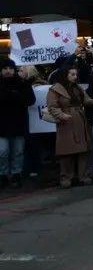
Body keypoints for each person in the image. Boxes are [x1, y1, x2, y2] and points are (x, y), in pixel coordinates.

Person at [46, 67, 93, 188]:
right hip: (66, 122)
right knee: (67, 151)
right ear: (65, 75)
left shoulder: (77, 88)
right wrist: (61, 115)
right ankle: (66, 178)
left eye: (76, 74)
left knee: (83, 150)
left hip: (80, 120)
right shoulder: (55, 89)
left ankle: (84, 176)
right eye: (72, 74)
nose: (75, 76)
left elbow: (86, 101)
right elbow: (52, 106)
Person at [0, 58, 35, 189]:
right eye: (5, 69)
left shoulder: (21, 83)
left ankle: (16, 173)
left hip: (18, 124)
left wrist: (25, 84)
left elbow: (30, 100)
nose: (8, 71)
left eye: (10, 68)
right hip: (2, 125)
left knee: (18, 151)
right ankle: (3, 174)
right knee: (2, 152)